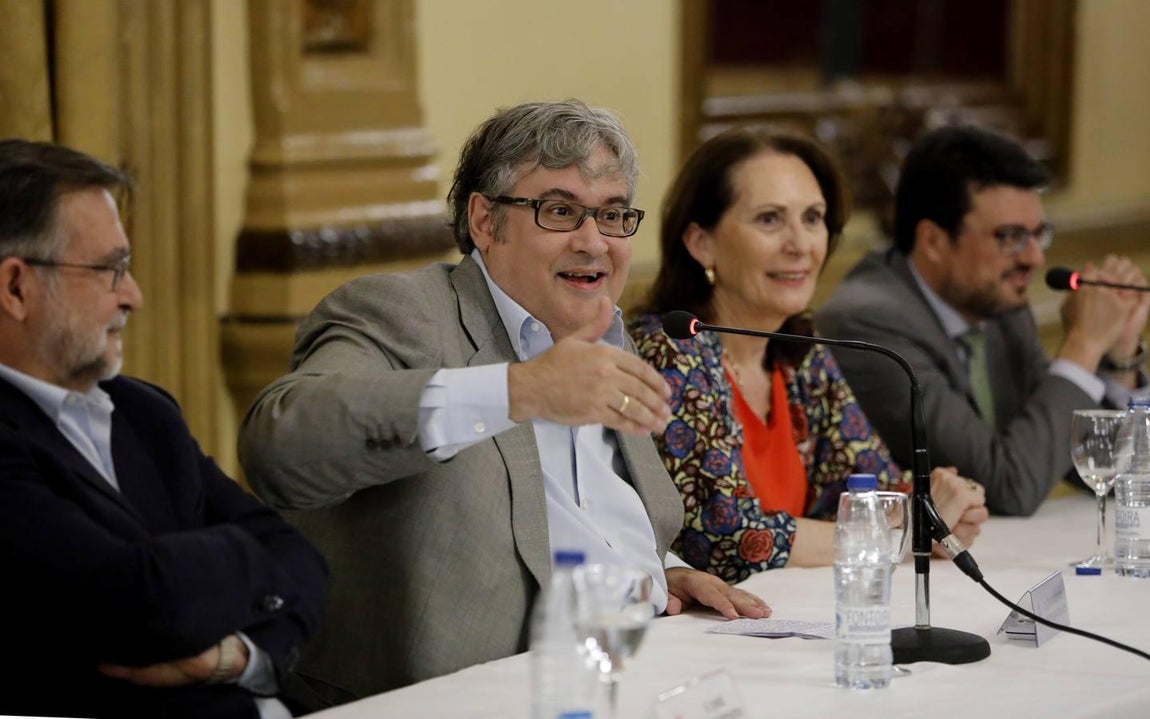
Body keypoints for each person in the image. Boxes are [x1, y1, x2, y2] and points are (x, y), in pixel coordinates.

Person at [238, 100, 769, 705]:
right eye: (560, 211)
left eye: (613, 215)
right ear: (486, 222)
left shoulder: (604, 334)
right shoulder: (402, 313)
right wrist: (517, 389)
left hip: (627, 670)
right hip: (451, 701)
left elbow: (576, 512)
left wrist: (657, 572)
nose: (593, 242)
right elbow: (280, 443)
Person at [0, 139, 328, 719]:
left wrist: (229, 658)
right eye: (110, 270)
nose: (134, 296)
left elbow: (301, 560)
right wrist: (245, 556)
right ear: (16, 288)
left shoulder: (144, 413)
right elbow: (135, 602)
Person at [629, 127, 988, 584]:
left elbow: (874, 489)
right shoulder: (669, 349)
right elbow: (728, 540)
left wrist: (948, 501)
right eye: (769, 219)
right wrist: (900, 531)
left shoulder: (800, 352)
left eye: (813, 218)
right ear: (701, 242)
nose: (801, 245)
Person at [816, 124, 1150, 516]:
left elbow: (1103, 473)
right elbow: (1008, 486)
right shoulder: (867, 325)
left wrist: (1120, 359)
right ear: (933, 241)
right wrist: (1084, 346)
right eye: (1009, 237)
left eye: (1038, 234)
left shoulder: (997, 305)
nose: (1034, 258)